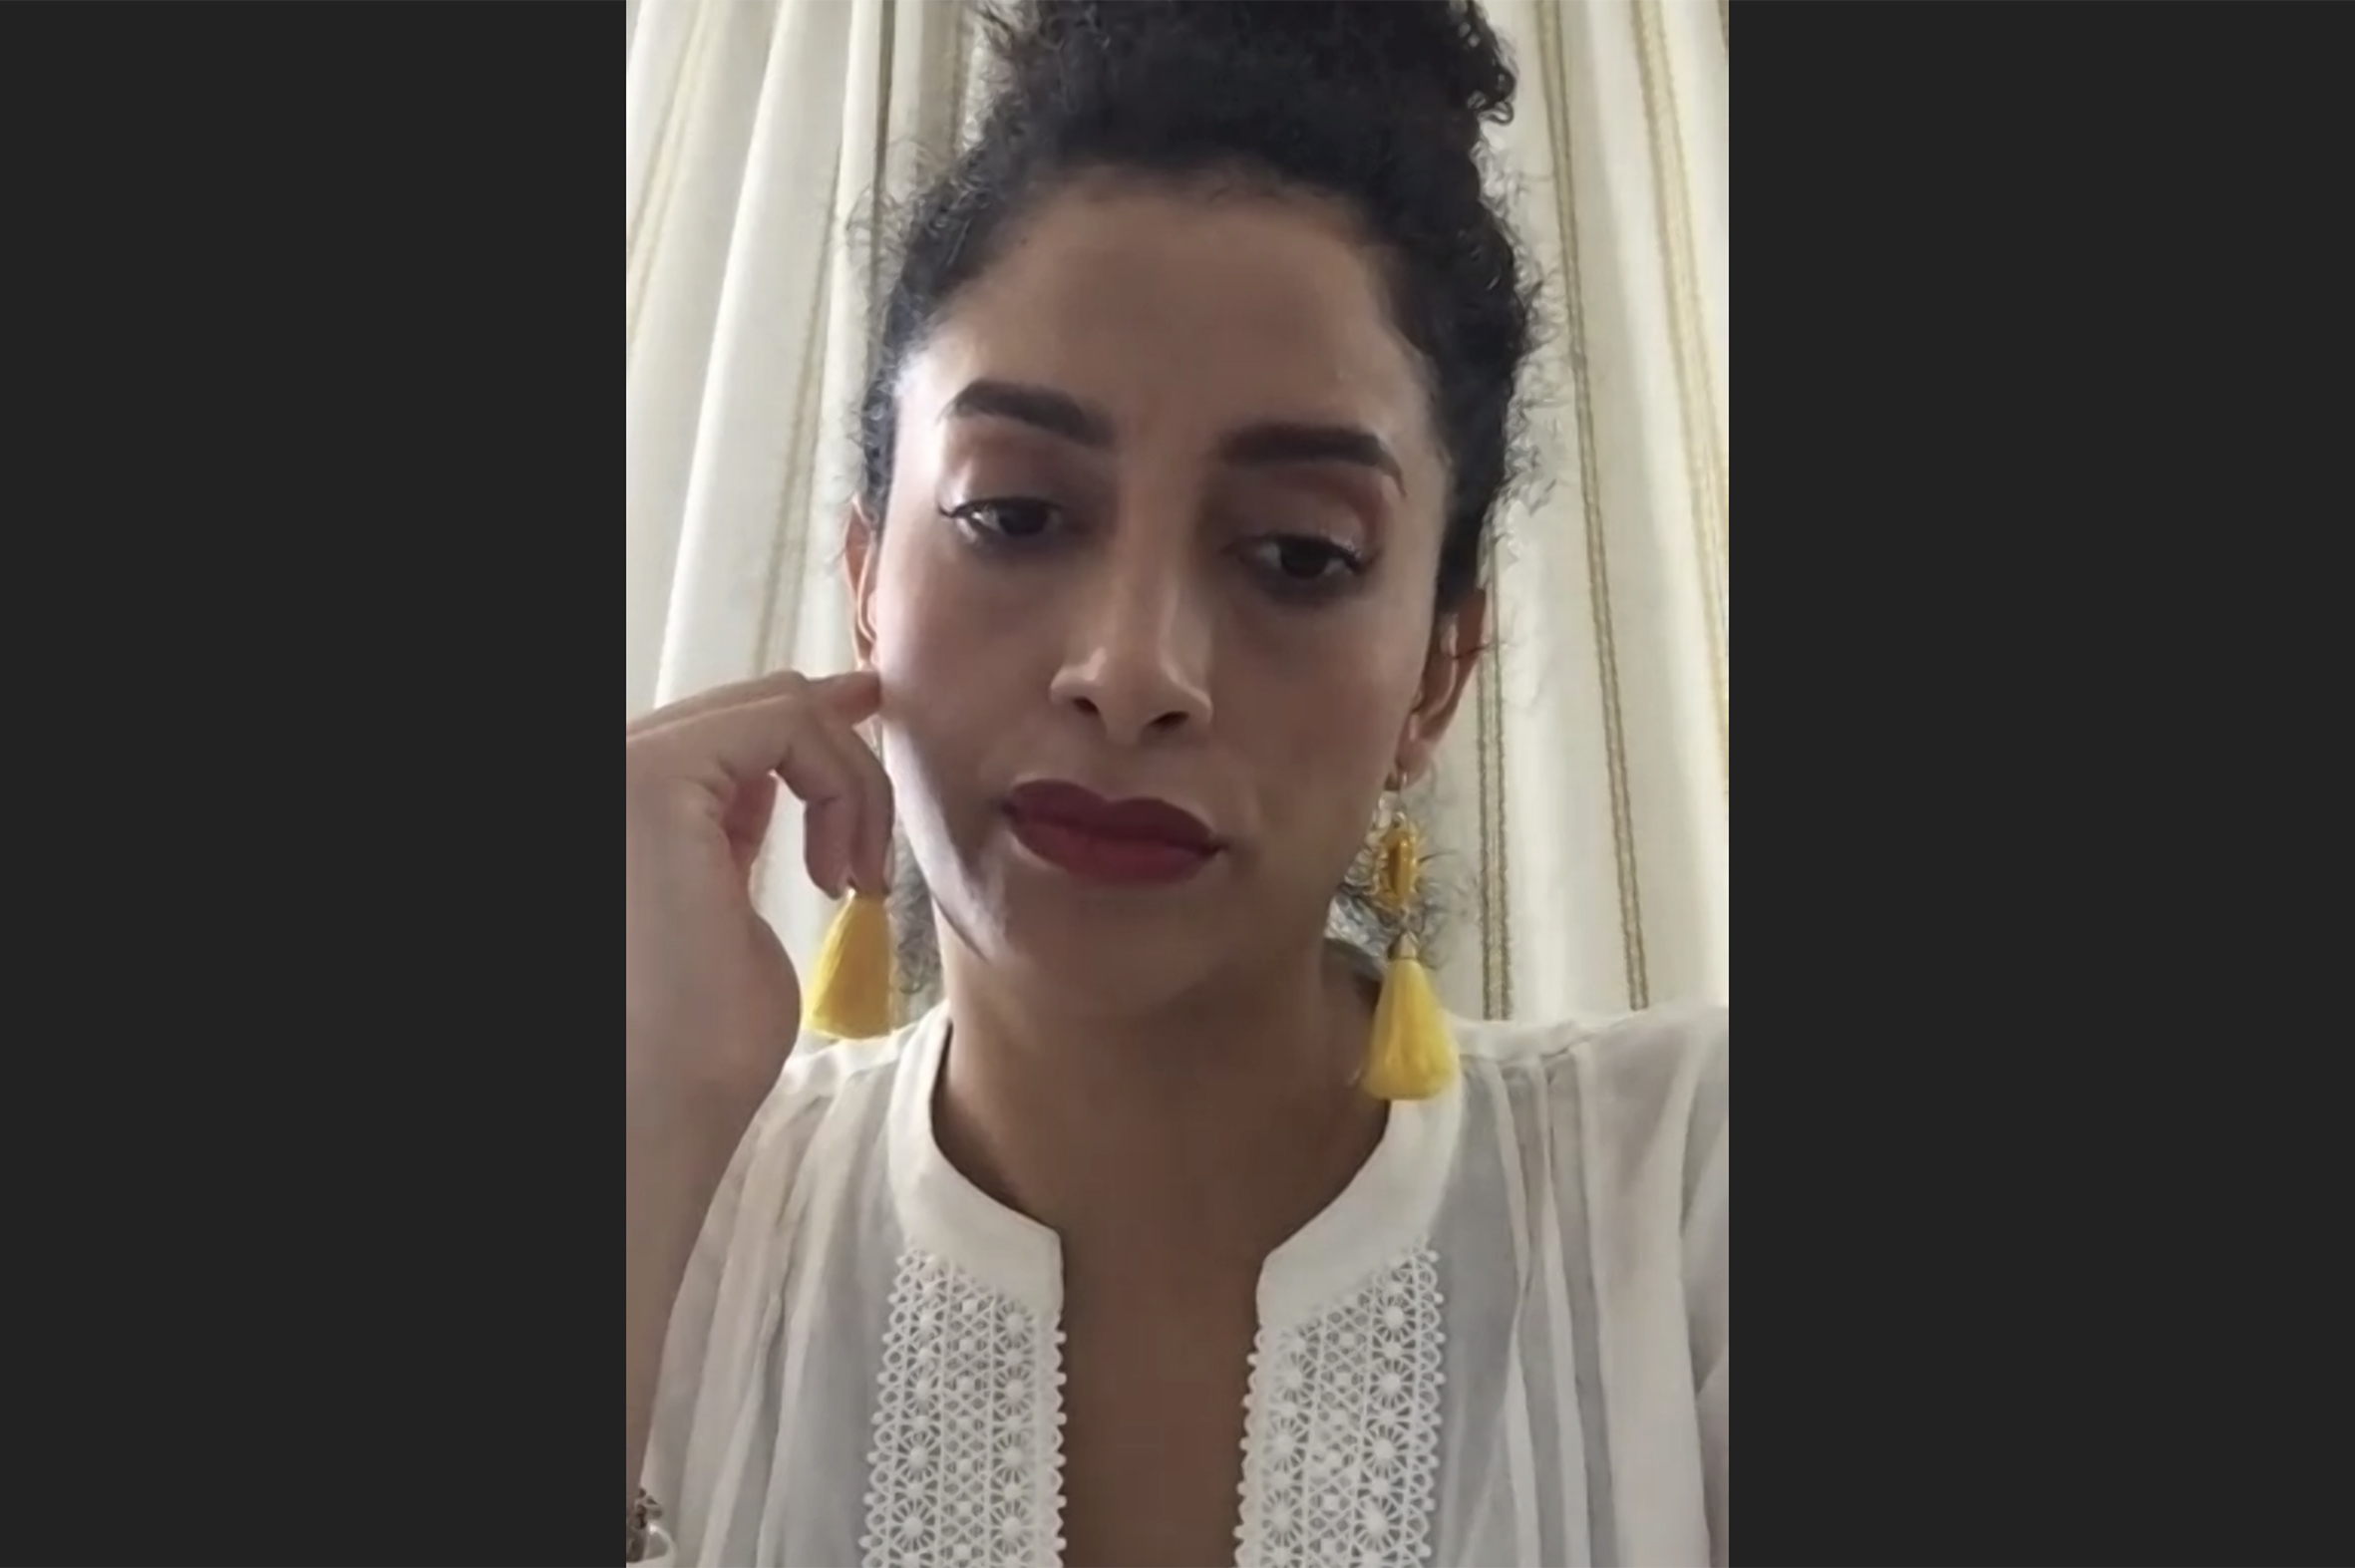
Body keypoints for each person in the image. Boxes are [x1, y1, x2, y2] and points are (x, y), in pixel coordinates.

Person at [624, 1, 1728, 1563]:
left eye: (1298, 554)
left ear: (1436, 670)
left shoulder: (1686, 1206)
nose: (1132, 668)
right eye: (1015, 515)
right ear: (865, 583)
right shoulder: (672, 1214)